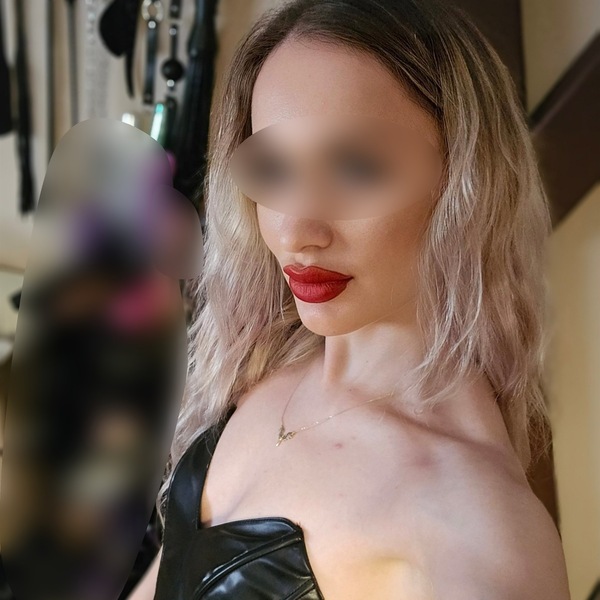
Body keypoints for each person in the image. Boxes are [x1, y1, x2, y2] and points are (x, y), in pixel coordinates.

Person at [129, 0, 572, 598]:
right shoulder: (262, 369)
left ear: (467, 183)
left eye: (356, 169)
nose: (297, 231)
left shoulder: (471, 525)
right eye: (275, 169)